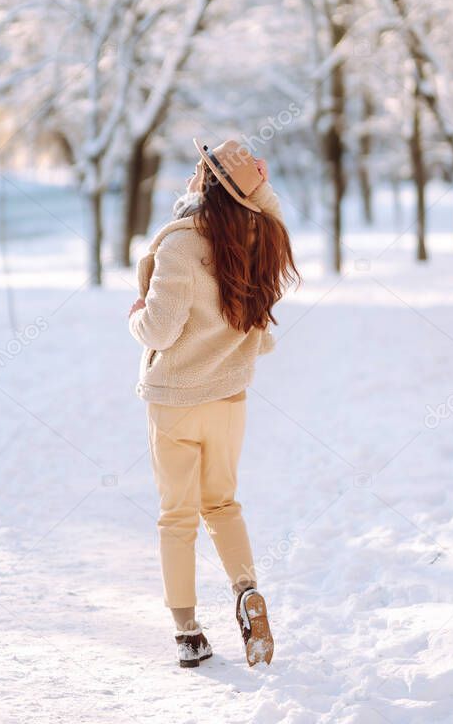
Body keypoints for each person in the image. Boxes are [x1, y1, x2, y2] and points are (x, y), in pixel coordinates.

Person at [128, 138, 300, 668]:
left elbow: (159, 327)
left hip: (176, 400)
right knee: (222, 505)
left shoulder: (182, 244)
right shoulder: (260, 236)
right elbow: (269, 210)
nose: (189, 178)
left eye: (198, 170)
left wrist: (135, 313)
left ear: (205, 184)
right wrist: (259, 187)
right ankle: (246, 590)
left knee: (176, 517)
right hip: (228, 399)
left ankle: (188, 634)